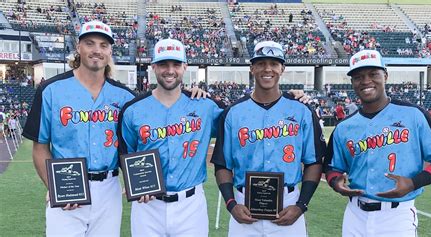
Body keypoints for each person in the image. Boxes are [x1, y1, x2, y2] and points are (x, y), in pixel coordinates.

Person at [324, 50, 431, 236]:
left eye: (373, 74)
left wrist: (413, 183)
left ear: (385, 76)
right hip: (355, 215)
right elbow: (332, 167)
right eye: (358, 76)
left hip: (397, 216)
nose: (366, 81)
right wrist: (335, 182)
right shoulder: (344, 127)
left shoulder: (413, 115)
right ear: (352, 82)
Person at [22, 20, 136, 236]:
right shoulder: (51, 90)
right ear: (78, 47)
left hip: (108, 189)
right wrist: (54, 187)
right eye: (90, 43)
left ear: (110, 50)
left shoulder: (125, 97)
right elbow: (40, 147)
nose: (96, 50)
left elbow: (135, 145)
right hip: (68, 183)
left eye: (103, 45)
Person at [211, 41, 326, 236]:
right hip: (243, 204)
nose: (267, 69)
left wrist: (301, 206)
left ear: (282, 68)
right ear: (252, 68)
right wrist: (231, 205)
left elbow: (314, 162)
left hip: (288, 203)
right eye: (261, 63)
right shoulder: (232, 113)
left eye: (274, 63)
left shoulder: (302, 110)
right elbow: (222, 165)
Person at [117, 38, 225, 236]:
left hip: (191, 205)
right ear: (153, 67)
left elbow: (238, 122)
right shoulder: (133, 109)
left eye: (176, 64)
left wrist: (294, 98)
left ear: (185, 67)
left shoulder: (205, 106)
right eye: (163, 64)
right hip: (148, 205)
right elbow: (126, 151)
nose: (170, 70)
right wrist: (134, 181)